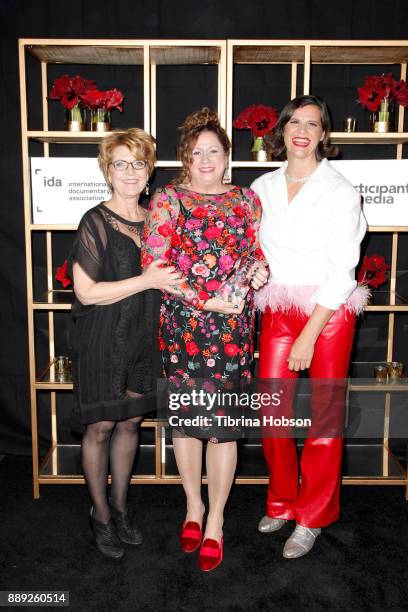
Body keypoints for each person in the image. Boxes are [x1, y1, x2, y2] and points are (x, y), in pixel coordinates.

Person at [142, 108, 268, 571]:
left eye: (214, 150)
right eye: (198, 153)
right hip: (185, 328)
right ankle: (193, 505)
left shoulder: (246, 200)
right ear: (186, 159)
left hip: (234, 329)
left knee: (224, 429)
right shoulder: (169, 200)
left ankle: (215, 519)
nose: (207, 159)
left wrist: (259, 271)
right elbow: (154, 265)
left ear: (227, 155)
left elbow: (256, 252)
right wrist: (204, 301)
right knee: (188, 423)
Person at [251, 95, 368, 559]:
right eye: (294, 121)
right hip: (279, 306)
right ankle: (281, 500)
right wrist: (256, 270)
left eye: (312, 123)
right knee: (272, 410)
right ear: (281, 130)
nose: (302, 130)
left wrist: (308, 333)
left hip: (329, 313)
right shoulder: (261, 186)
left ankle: (313, 516)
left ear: (324, 135)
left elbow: (343, 270)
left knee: (323, 417)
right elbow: (259, 251)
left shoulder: (340, 190)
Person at [68, 128, 183, 559]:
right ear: (107, 171)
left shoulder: (160, 219)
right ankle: (99, 514)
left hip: (145, 337)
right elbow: (87, 292)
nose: (130, 171)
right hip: (101, 338)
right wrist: (148, 279)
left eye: (138, 162)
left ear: (149, 170)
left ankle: (119, 508)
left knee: (131, 423)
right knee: (99, 426)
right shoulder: (95, 221)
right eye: (120, 163)